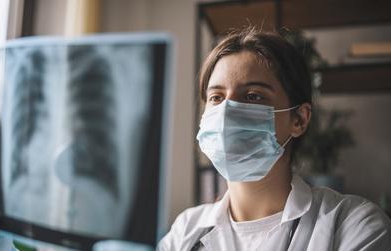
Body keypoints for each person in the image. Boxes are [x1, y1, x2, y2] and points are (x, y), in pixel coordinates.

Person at [158, 27, 391, 250]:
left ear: (299, 119)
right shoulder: (184, 232)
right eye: (216, 97)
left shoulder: (354, 226)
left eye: (252, 96)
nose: (227, 111)